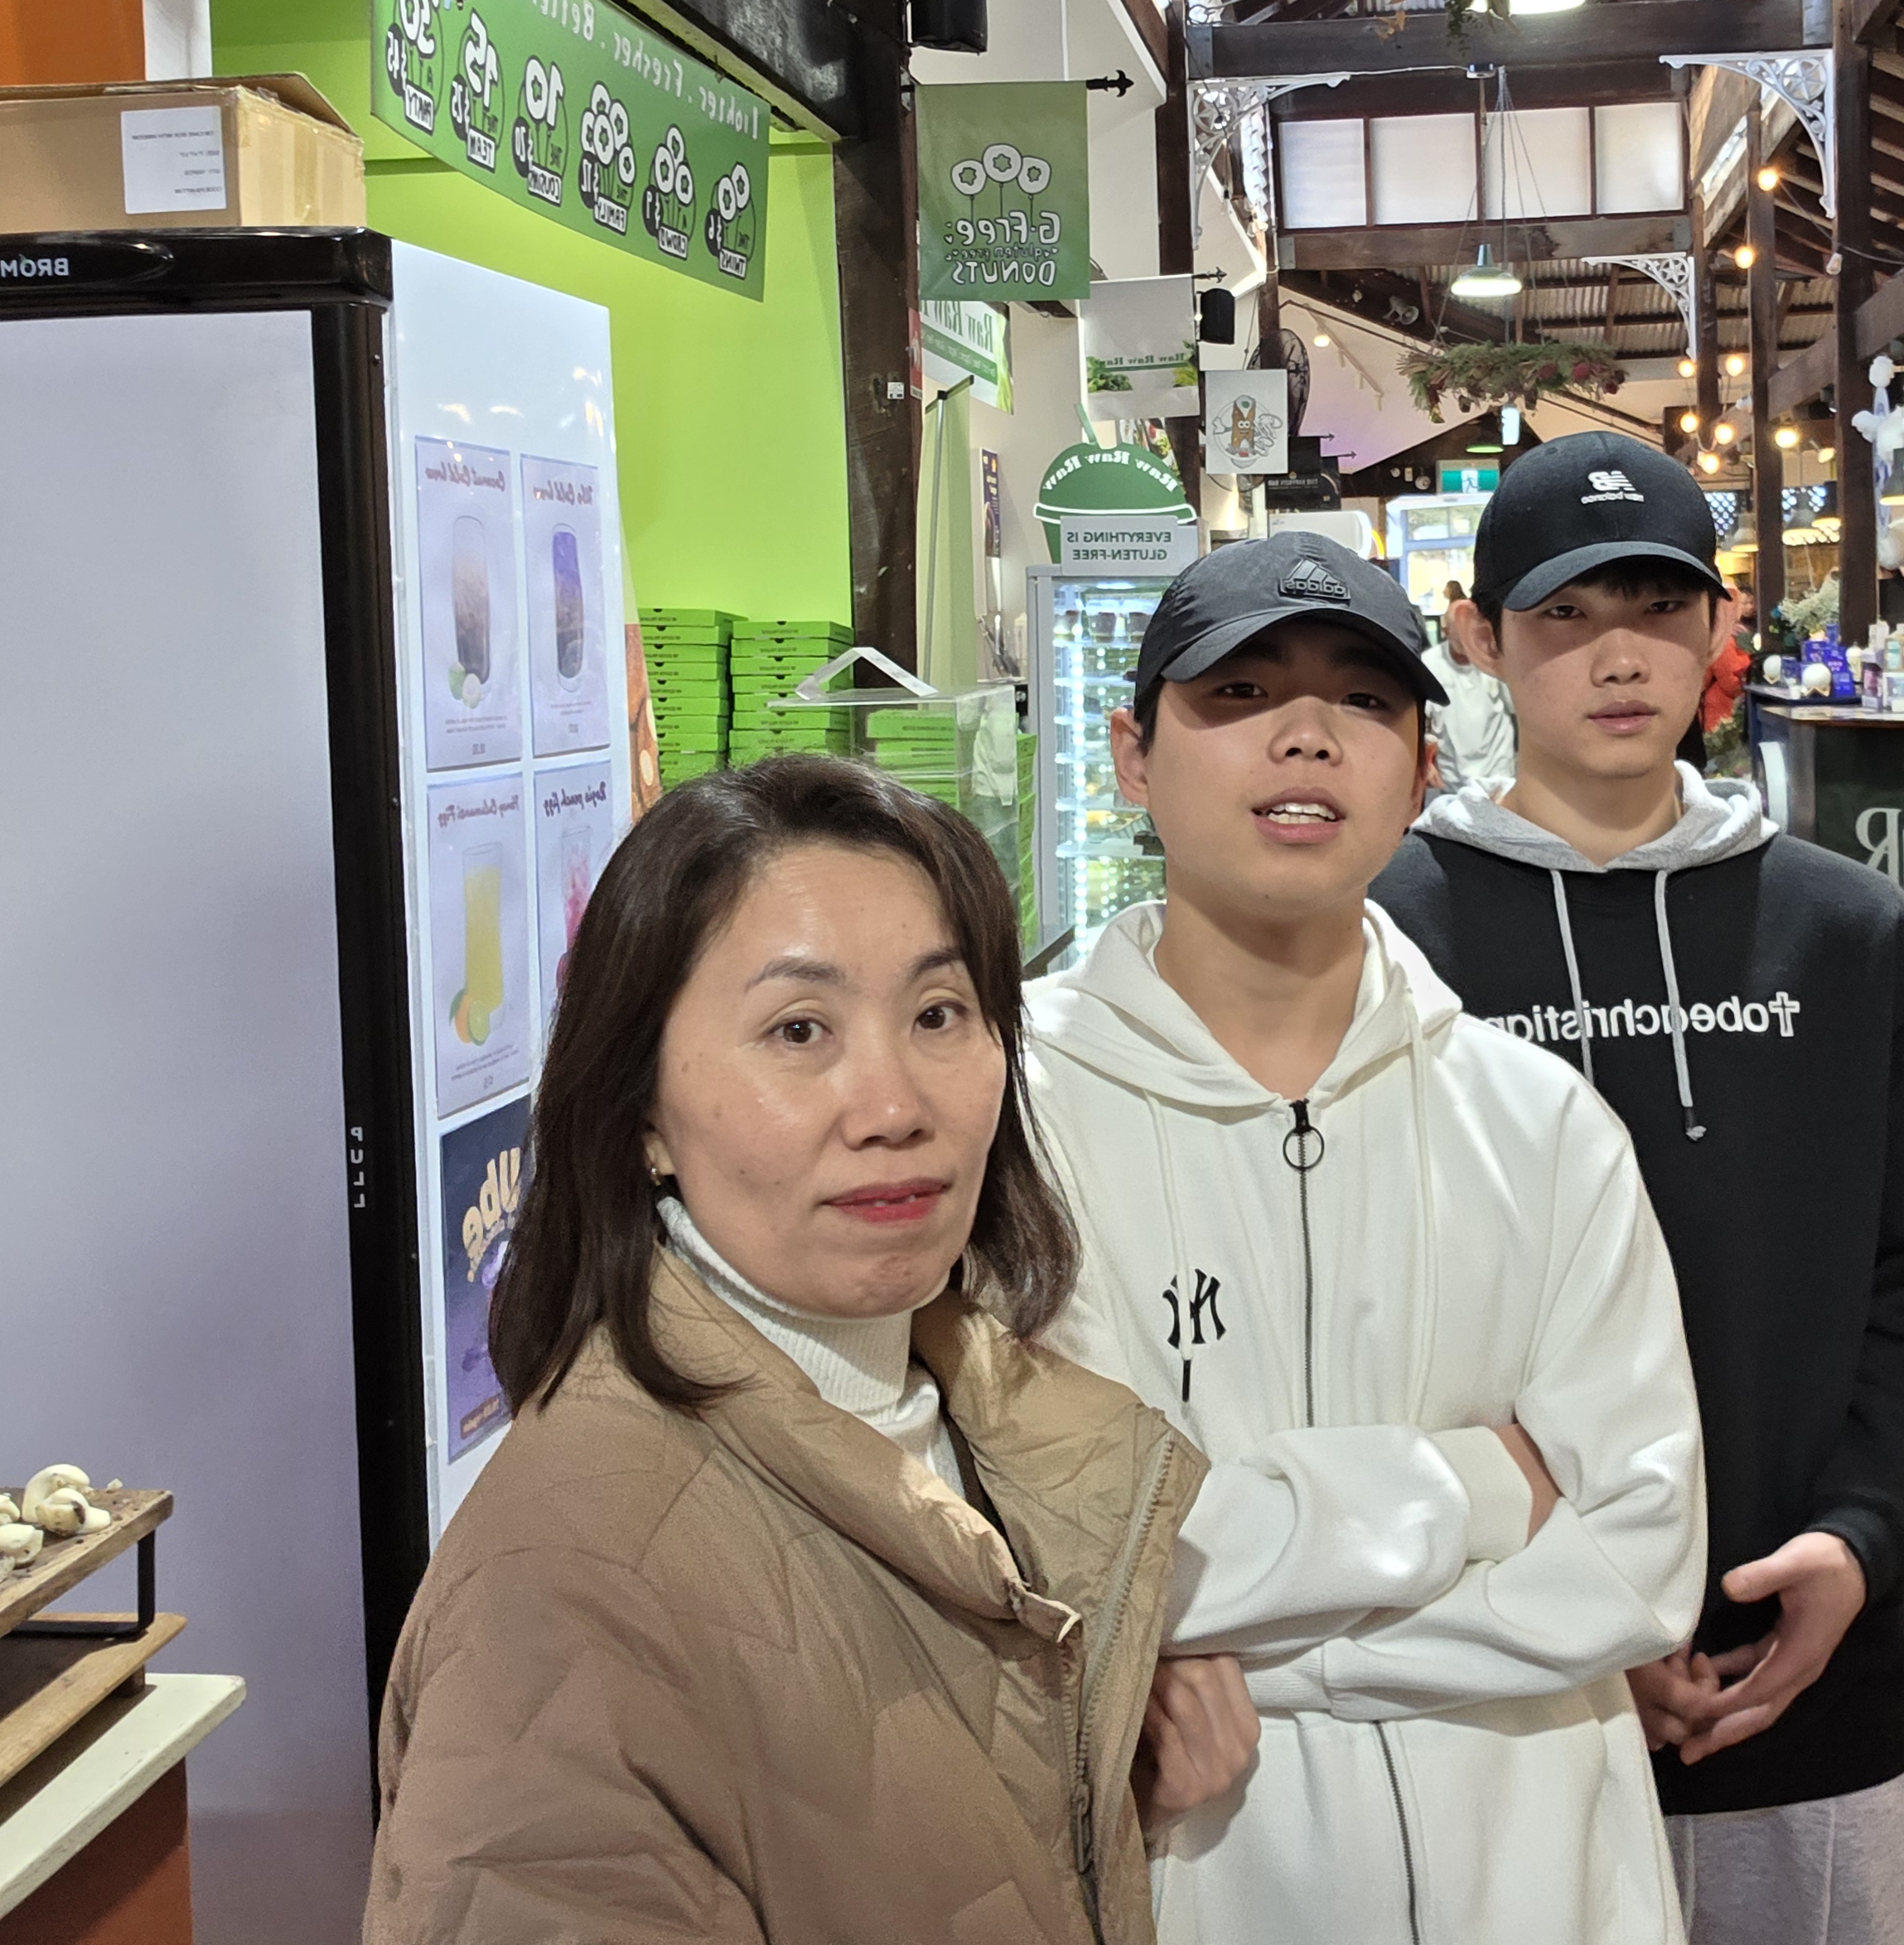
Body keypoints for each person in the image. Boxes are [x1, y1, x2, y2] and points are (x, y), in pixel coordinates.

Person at [370, 757, 1251, 1945]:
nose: (894, 1106)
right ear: (640, 1114)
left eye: (938, 1015)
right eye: (798, 1030)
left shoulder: (974, 1416)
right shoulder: (563, 1591)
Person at [1374, 432, 1904, 1945]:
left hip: (1820, 1696)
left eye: (1658, 607)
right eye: (1564, 615)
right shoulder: (1384, 943)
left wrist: (1861, 1541)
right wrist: (1562, 1606)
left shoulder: (1853, 936)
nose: (1619, 656)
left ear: (1720, 627)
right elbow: (1358, 1324)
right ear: (1479, 638)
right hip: (1493, 1707)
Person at [1027, 530, 1708, 1942]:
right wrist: (1475, 1493)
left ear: (1421, 767)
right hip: (1193, 1878)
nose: (1306, 735)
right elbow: (1050, 1544)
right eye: (1237, 691)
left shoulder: (1542, 1125)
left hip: (1539, 1885)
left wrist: (1238, 1644)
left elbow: (1640, 1560)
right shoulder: (1010, 1119)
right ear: (1132, 756)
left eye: (1363, 698)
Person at [1425, 576, 1520, 797]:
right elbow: (1424, 721)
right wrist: (1427, 761)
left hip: (1499, 774)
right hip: (1453, 782)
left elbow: (1518, 709)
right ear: (1446, 632)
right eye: (1460, 631)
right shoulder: (1430, 664)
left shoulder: (1496, 660)